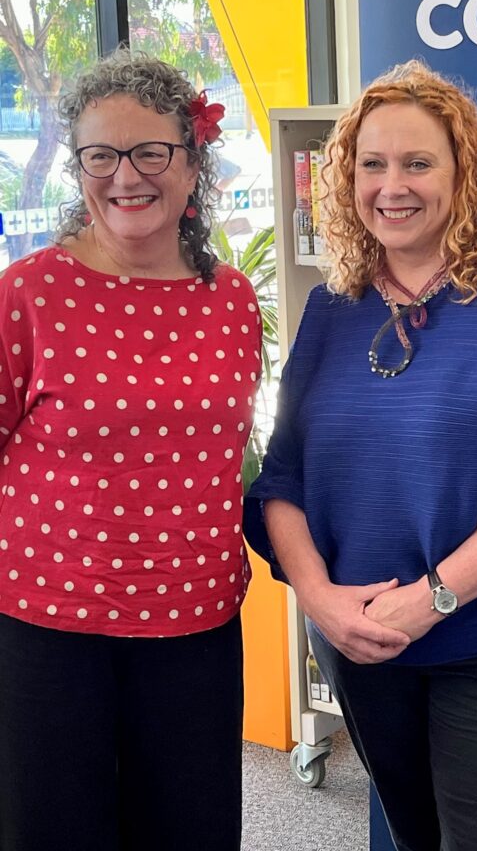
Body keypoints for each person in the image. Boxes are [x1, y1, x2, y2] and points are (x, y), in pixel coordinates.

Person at [245, 60, 477, 851]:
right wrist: (320, 599)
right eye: (371, 164)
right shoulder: (332, 309)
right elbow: (283, 480)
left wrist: (430, 600)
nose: (391, 185)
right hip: (362, 643)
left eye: (417, 163)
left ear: (463, 174)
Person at [0, 50, 262, 851]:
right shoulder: (29, 292)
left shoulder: (230, 298)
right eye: (100, 156)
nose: (126, 176)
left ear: (191, 164)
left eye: (151, 151)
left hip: (196, 625)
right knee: (54, 832)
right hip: (49, 629)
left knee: (193, 831)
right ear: (78, 167)